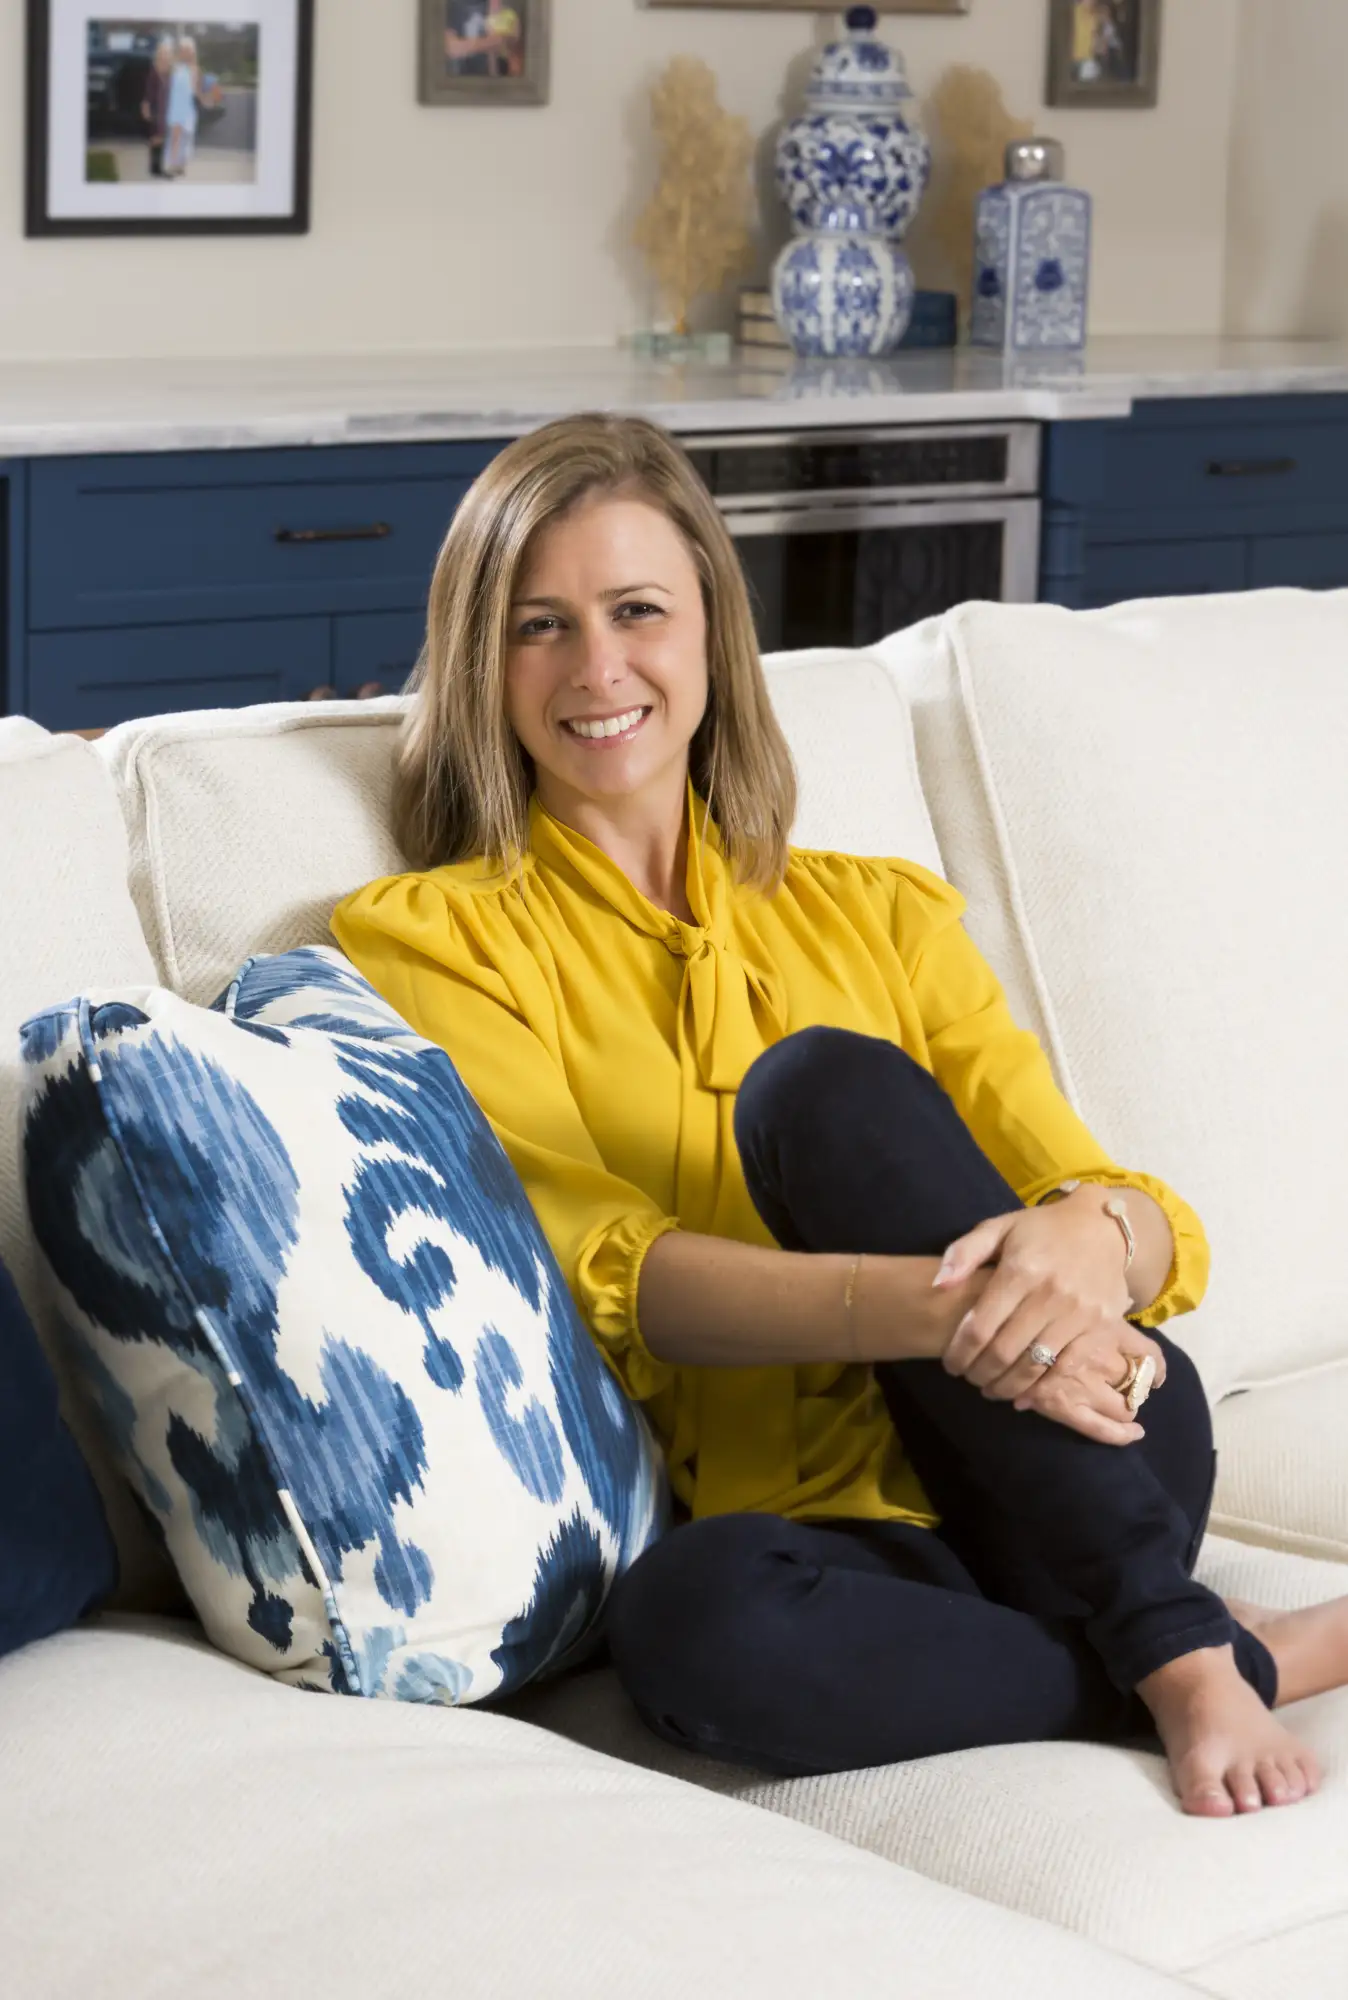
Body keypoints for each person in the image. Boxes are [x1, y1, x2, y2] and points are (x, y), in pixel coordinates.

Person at [331, 412, 1348, 1818]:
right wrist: (945, 1315)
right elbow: (616, 1278)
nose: (597, 668)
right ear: (480, 662)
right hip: (830, 1549)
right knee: (691, 1627)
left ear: (709, 636)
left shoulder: (882, 912)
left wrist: (1088, 1246)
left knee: (826, 1088)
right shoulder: (433, 941)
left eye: (638, 612)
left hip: (1086, 1452)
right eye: (538, 627)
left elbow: (1125, 1211)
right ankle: (1225, 1652)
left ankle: (1163, 1638)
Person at [163, 35, 201, 179]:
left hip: (187, 108)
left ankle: (181, 164)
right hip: (175, 107)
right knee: (175, 137)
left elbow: (193, 90)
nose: (186, 52)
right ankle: (172, 164)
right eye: (184, 49)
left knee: (186, 138)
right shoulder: (175, 67)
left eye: (189, 50)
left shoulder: (194, 69)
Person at [445, 0, 509, 78]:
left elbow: (508, 41)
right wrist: (491, 43)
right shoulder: (449, 5)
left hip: (488, 80)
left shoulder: (495, 4)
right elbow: (452, 48)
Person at [139, 38, 174, 179]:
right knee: (156, 137)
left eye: (167, 53)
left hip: (166, 108)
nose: (165, 55)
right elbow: (148, 91)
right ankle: (156, 168)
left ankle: (156, 168)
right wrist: (145, 107)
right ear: (159, 54)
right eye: (162, 52)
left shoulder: (170, 71)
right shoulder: (154, 70)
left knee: (162, 137)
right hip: (156, 108)